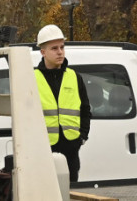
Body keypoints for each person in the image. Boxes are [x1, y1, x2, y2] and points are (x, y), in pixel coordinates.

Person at [34, 24, 91, 182]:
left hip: (71, 149)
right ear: (43, 52)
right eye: (54, 48)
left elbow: (85, 110)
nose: (60, 52)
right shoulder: (32, 78)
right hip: (44, 148)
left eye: (62, 47)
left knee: (70, 190)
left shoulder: (74, 77)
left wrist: (82, 137)